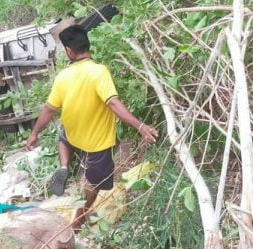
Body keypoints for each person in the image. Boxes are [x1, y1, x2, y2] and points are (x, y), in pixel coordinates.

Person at [25, 25, 159, 228]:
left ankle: (64, 166)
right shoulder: (99, 71)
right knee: (94, 182)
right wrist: (140, 126)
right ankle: (78, 220)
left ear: (69, 52)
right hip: (96, 141)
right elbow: (113, 102)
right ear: (87, 45)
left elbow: (49, 109)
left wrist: (34, 133)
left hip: (73, 134)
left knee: (63, 136)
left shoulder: (63, 76)